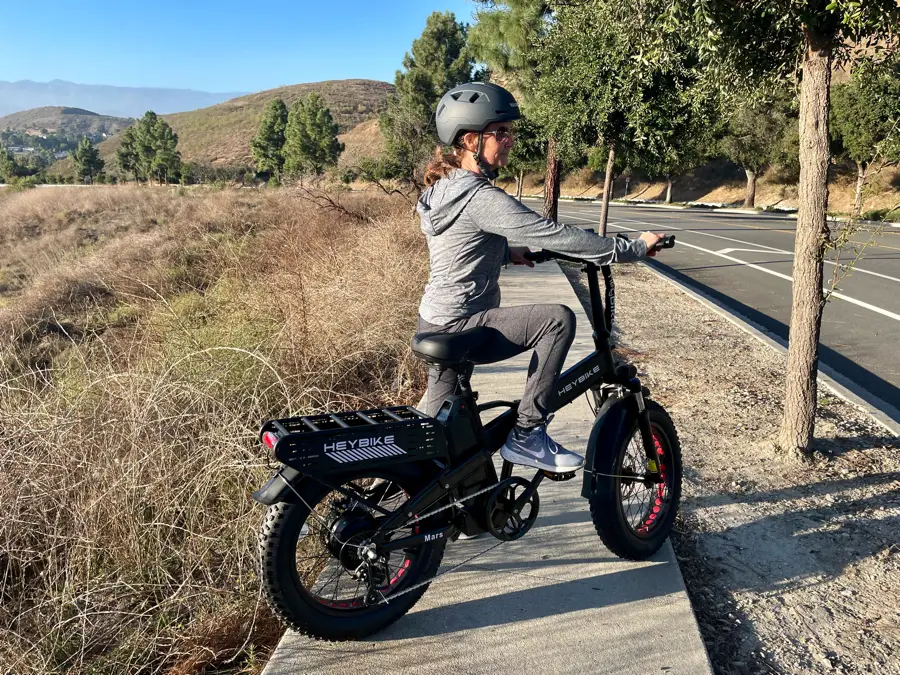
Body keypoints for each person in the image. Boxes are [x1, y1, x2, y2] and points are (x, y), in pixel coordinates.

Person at [417, 81, 663, 475]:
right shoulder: (481, 197)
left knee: (439, 443)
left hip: (433, 320)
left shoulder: (441, 190)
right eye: (501, 132)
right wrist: (633, 248)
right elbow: (553, 234)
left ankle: (430, 513)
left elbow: (455, 243)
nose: (511, 140)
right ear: (469, 140)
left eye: (511, 131)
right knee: (557, 320)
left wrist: (504, 252)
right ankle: (528, 433)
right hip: (464, 324)